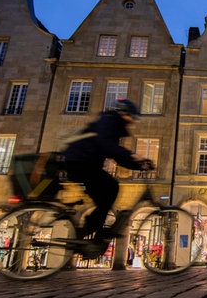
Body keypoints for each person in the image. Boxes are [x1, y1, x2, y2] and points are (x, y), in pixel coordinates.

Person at [63, 99, 154, 246]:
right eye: (132, 117)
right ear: (124, 114)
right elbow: (108, 146)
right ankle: (88, 232)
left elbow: (117, 156)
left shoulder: (111, 125)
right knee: (111, 188)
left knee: (105, 198)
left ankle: (91, 235)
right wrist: (133, 156)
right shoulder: (108, 121)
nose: (133, 122)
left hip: (83, 163)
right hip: (79, 163)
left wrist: (138, 165)